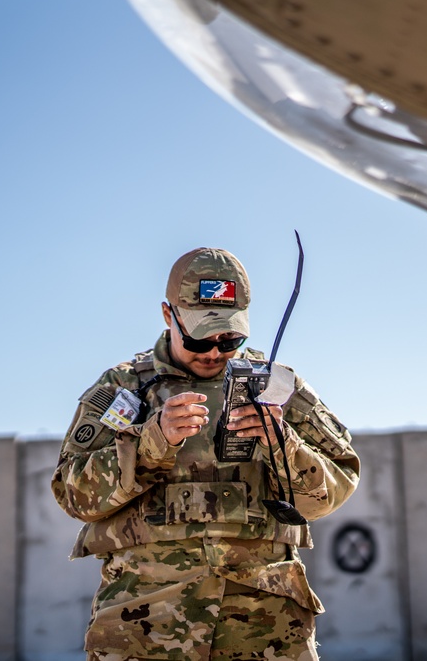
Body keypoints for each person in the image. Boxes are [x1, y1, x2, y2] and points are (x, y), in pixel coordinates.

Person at [51, 247, 360, 661]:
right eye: (200, 337)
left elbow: (336, 487)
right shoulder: (124, 389)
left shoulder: (277, 387)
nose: (214, 352)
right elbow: (73, 494)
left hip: (265, 625)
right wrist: (150, 442)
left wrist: (282, 445)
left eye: (230, 338)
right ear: (168, 315)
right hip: (145, 625)